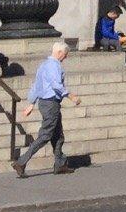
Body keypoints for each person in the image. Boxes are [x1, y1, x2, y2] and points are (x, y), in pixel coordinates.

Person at [12, 40, 78, 178]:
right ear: (59, 52)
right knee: (45, 135)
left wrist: (31, 103)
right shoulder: (55, 66)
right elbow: (56, 84)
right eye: (65, 54)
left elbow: (37, 85)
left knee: (58, 135)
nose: (65, 57)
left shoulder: (43, 65)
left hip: (44, 102)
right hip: (51, 103)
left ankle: (60, 164)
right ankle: (21, 162)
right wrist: (71, 96)